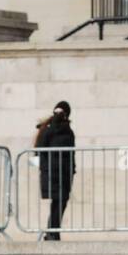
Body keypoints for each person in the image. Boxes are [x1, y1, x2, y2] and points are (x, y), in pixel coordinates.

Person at [36, 100, 76, 240]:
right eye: (56, 111)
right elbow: (40, 148)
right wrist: (52, 125)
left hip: (64, 173)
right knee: (57, 201)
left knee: (61, 201)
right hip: (51, 172)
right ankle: (52, 232)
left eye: (61, 112)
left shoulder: (68, 131)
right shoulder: (47, 129)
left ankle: (53, 231)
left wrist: (72, 170)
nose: (58, 114)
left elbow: (71, 152)